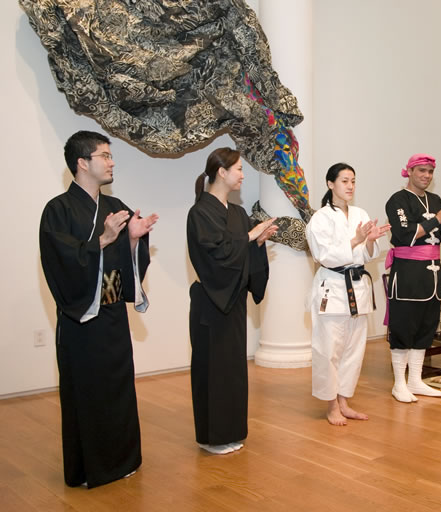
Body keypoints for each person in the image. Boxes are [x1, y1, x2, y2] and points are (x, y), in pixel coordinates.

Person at [39, 130, 159, 488]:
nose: (111, 162)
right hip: (82, 320)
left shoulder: (114, 205)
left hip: (111, 317)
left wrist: (134, 238)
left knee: (118, 389)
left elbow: (124, 263)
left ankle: (123, 459)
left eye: (110, 156)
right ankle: (91, 469)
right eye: (104, 155)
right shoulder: (57, 211)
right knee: (87, 393)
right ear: (82, 163)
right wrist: (104, 239)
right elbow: (62, 261)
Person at [187, 147, 277, 455]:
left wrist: (257, 243)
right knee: (211, 370)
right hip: (211, 303)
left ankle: (230, 431)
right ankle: (210, 436)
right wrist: (250, 238)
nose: (242, 174)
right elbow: (215, 254)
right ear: (221, 172)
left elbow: (240, 251)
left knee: (232, 371)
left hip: (233, 301)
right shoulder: (199, 212)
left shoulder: (237, 213)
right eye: (238, 168)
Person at [306, 163, 390, 425]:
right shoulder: (319, 218)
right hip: (332, 287)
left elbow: (367, 255)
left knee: (354, 350)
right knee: (329, 349)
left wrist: (371, 239)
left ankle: (344, 401)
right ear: (330, 184)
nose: (350, 186)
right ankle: (331, 405)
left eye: (353, 181)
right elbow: (324, 255)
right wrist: (355, 240)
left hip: (358, 287)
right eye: (344, 181)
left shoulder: (359, 213)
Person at [384, 154, 441, 402]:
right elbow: (407, 234)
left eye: (430, 171)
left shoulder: (436, 200)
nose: (426, 176)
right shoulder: (398, 200)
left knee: (425, 327)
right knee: (404, 327)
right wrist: (439, 220)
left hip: (432, 273)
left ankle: (416, 381)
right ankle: (399, 383)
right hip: (407, 272)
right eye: (421, 170)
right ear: (408, 171)